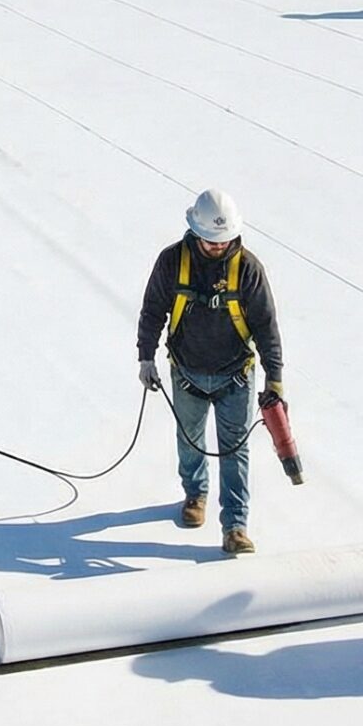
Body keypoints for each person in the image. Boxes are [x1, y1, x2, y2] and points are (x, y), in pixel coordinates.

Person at [134, 189, 285, 557]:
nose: (219, 247)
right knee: (191, 440)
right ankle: (195, 494)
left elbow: (266, 326)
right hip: (186, 372)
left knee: (235, 449)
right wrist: (146, 358)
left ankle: (235, 525)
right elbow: (153, 310)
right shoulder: (172, 262)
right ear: (195, 231)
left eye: (224, 240)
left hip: (236, 376)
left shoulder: (248, 269)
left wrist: (274, 379)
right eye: (212, 240)